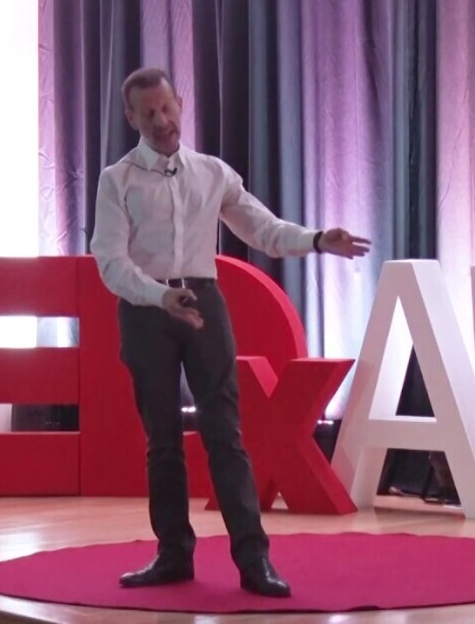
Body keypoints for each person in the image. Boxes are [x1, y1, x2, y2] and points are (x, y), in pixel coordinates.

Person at [90, 67, 370, 598]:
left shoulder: (212, 172)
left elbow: (263, 228)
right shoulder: (116, 180)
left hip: (204, 303)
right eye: (148, 113)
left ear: (180, 104)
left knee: (226, 434)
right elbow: (109, 261)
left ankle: (254, 560)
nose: (161, 121)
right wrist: (159, 295)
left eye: (166, 108)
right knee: (162, 441)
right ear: (131, 117)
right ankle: (173, 555)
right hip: (146, 309)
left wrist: (316, 240)